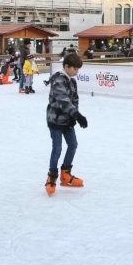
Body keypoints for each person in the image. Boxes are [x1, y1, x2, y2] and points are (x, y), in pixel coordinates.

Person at [44, 53, 88, 196]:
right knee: (57, 148)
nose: (77, 72)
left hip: (67, 120)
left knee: (73, 144)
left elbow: (74, 101)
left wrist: (74, 117)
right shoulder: (58, 80)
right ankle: (52, 175)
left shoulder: (72, 81)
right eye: (75, 69)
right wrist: (77, 115)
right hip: (55, 120)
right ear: (67, 66)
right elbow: (63, 100)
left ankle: (65, 174)